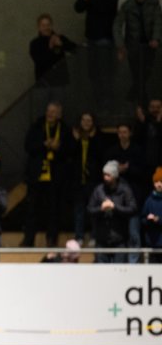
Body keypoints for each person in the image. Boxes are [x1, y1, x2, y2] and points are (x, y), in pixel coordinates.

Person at [22, 101, 72, 247]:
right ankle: (28, 240)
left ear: (60, 114)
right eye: (49, 111)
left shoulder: (64, 129)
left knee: (53, 211)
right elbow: (28, 146)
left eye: (54, 111)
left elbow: (70, 151)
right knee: (32, 209)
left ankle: (52, 240)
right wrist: (43, 144)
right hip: (37, 176)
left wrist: (58, 147)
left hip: (55, 177)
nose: (50, 114)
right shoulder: (36, 126)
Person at [74, 0, 119, 111]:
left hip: (105, 37)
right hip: (91, 38)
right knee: (93, 74)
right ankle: (96, 102)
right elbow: (78, 7)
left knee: (105, 73)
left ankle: (107, 104)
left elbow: (106, 7)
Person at [113, 0, 162, 106]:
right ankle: (143, 102)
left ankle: (133, 96)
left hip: (150, 46)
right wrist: (120, 45)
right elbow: (117, 24)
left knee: (147, 72)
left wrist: (156, 38)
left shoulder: (154, 3)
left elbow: (158, 22)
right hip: (133, 45)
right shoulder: (127, 5)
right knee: (136, 72)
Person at [105, 124, 146, 262]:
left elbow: (143, 172)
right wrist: (117, 170)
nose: (122, 134)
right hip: (116, 198)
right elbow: (106, 173)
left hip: (134, 197)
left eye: (125, 132)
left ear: (130, 133)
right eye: (120, 132)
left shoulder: (138, 150)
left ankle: (133, 261)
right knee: (117, 233)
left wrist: (128, 169)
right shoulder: (112, 151)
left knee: (134, 232)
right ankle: (118, 261)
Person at [69, 112, 111, 245]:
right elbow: (69, 155)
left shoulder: (98, 137)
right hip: (78, 180)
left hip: (93, 180)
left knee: (95, 209)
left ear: (93, 122)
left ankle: (94, 236)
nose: (86, 123)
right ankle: (79, 237)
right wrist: (76, 141)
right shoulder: (75, 136)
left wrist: (92, 139)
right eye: (84, 120)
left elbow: (100, 155)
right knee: (79, 210)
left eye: (89, 120)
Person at [88, 160, 137, 263]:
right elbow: (90, 209)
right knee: (102, 273)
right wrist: (101, 209)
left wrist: (115, 207)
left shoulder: (125, 190)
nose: (105, 177)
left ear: (114, 176)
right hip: (102, 239)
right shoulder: (99, 190)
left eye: (108, 175)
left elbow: (132, 209)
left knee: (119, 272)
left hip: (120, 239)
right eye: (104, 174)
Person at [30, 13, 77, 90]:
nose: (46, 28)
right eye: (43, 25)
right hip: (44, 82)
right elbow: (38, 61)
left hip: (60, 81)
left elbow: (75, 49)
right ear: (39, 27)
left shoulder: (60, 38)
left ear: (51, 25)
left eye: (48, 25)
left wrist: (62, 44)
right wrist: (50, 48)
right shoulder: (35, 43)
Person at [140, 167, 162, 263]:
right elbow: (142, 219)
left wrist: (159, 220)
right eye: (156, 182)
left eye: (161, 182)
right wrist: (148, 219)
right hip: (152, 242)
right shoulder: (149, 200)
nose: (159, 184)